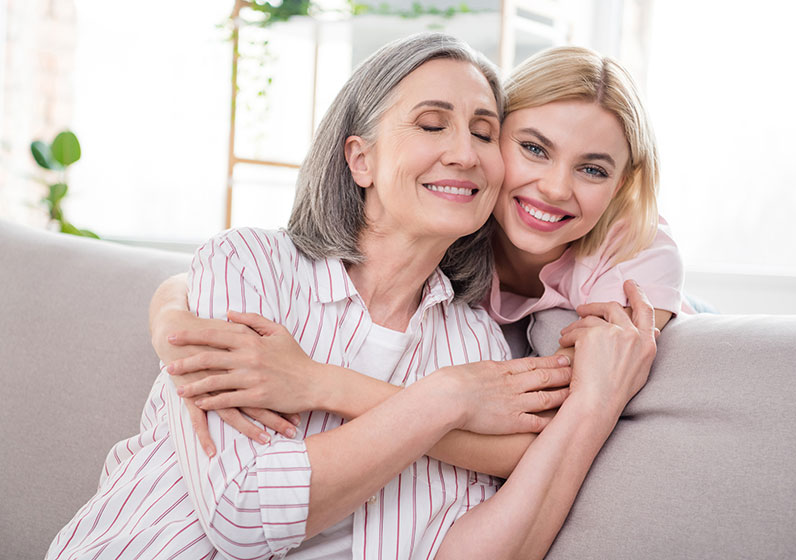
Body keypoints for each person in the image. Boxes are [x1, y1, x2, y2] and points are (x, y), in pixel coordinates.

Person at [47, 33, 655, 560]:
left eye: (483, 131)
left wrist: (596, 402)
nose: (464, 152)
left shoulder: (474, 341)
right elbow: (242, 511)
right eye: (431, 123)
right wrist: (445, 399)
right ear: (360, 159)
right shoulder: (251, 267)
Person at [150, 44, 685, 457]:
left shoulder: (636, 252)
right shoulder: (451, 219)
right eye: (533, 148)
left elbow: (540, 428)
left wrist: (316, 382)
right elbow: (243, 265)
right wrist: (172, 320)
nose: (554, 187)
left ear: (622, 184)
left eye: (593, 169)